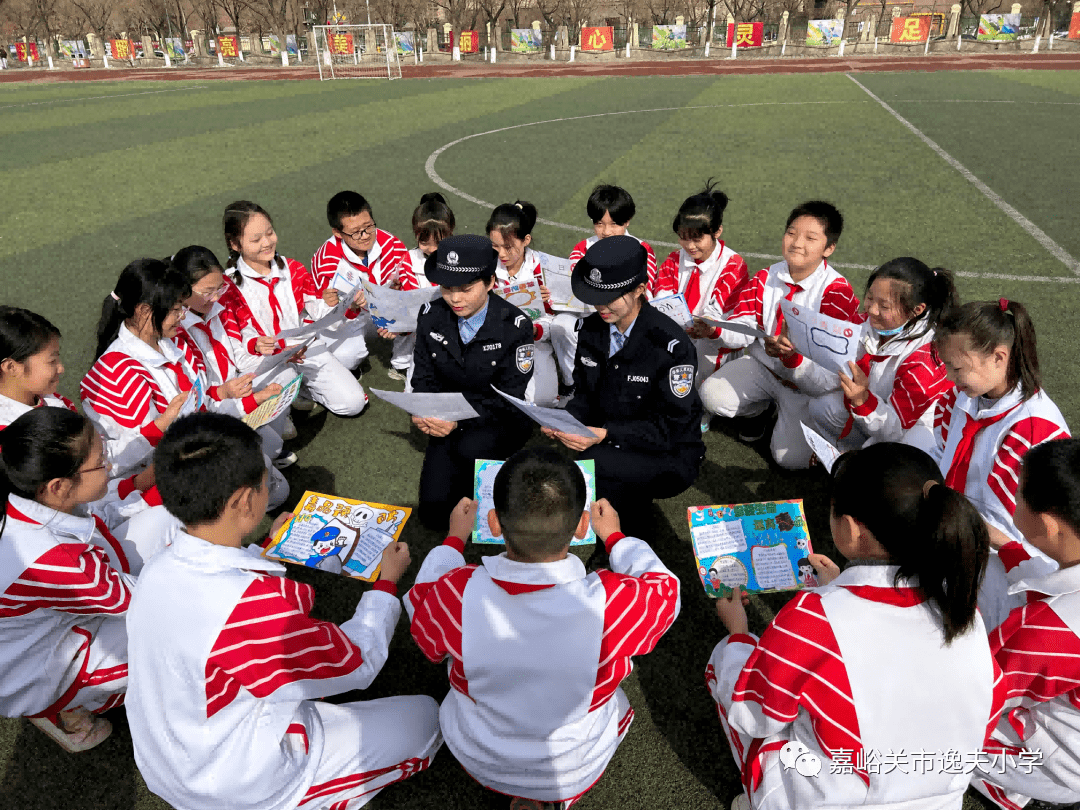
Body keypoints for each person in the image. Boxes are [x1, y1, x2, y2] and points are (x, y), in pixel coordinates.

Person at [125, 413, 441, 810]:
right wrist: (386, 585)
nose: (268, 486)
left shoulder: (156, 566)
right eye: (264, 480)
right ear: (244, 501)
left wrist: (264, 546)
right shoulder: (251, 607)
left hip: (172, 757)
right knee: (426, 720)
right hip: (238, 782)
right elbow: (356, 664)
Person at [708, 442, 1004, 810]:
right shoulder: (964, 612)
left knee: (730, 667)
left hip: (836, 800)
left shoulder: (814, 616)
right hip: (937, 799)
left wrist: (738, 635)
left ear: (850, 529)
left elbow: (751, 713)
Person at [405, 449, 680, 809]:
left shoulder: (455, 592)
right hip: (574, 764)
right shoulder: (614, 601)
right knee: (618, 703)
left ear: (493, 522)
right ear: (583, 526)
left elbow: (419, 605)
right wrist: (615, 537)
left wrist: (454, 539)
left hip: (482, 753)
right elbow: (666, 590)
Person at [907, 298, 1069, 630]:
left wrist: (931, 507)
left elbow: (1010, 529)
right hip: (963, 527)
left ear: (999, 357)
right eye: (948, 367)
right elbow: (943, 454)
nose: (950, 378)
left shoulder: (1033, 428)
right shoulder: (961, 397)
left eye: (958, 367)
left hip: (1013, 559)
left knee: (967, 627)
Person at [82, 258, 290, 509]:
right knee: (261, 471)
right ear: (144, 311)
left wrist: (252, 401)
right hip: (154, 484)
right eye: (176, 309)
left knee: (272, 473)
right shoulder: (116, 373)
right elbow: (141, 456)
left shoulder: (174, 341)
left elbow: (204, 404)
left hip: (196, 446)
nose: (183, 316)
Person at [545, 235, 704, 530]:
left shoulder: (670, 345)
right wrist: (565, 421)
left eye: (611, 296)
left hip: (668, 453)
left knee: (593, 465)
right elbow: (584, 394)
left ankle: (631, 534)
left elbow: (671, 430)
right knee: (582, 465)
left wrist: (605, 434)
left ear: (640, 290)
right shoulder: (592, 329)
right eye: (595, 295)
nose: (601, 306)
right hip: (610, 437)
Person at [0, 408, 135, 752]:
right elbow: (135, 601)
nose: (107, 463)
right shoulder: (57, 559)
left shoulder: (23, 501)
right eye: (100, 460)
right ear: (58, 486)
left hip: (29, 633)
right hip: (28, 667)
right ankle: (61, 704)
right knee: (169, 635)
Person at [699, 200, 860, 468]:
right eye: (791, 233)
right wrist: (717, 328)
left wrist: (792, 360)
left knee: (789, 461)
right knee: (712, 395)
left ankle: (813, 429)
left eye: (810, 238)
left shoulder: (837, 293)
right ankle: (760, 412)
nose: (797, 243)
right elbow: (742, 328)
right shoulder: (765, 276)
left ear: (829, 248)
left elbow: (830, 376)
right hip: (764, 368)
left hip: (807, 389)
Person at [973, 438, 1080, 809]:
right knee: (997, 572)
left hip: (1064, 763)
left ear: (1048, 525)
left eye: (1018, 496)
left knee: (927, 732)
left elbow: (976, 696)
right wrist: (1001, 542)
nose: (1013, 500)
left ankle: (1013, 791)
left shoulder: (1049, 631)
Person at [411, 234, 534, 530]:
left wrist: (457, 423)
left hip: (497, 420)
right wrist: (421, 409)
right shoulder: (431, 317)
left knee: (470, 451)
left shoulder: (515, 326)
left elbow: (509, 396)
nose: (455, 298)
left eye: (466, 289)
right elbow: (424, 376)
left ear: (491, 282)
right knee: (433, 514)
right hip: (448, 420)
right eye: (447, 288)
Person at [217, 200, 368, 418]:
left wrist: (345, 306)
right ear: (235, 244)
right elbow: (234, 344)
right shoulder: (228, 287)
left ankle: (303, 390)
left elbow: (319, 314)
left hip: (306, 351)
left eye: (270, 233)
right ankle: (289, 395)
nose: (267, 242)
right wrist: (256, 346)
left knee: (353, 404)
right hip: (264, 365)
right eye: (256, 239)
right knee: (279, 421)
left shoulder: (293, 269)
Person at [806, 257, 957, 451]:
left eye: (884, 306)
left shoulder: (925, 359)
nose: (871, 310)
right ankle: (845, 454)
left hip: (919, 429)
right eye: (870, 298)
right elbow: (828, 372)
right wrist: (793, 358)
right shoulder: (865, 324)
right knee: (822, 406)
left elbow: (896, 429)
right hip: (882, 410)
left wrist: (862, 400)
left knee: (889, 459)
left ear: (916, 311)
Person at [170, 245, 294, 466]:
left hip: (236, 385)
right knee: (270, 460)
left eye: (219, 288)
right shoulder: (174, 329)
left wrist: (256, 346)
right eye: (207, 292)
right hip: (211, 405)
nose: (216, 297)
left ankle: (264, 432)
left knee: (286, 373)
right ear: (182, 290)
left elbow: (237, 350)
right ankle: (261, 441)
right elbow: (189, 396)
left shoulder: (218, 301)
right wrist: (222, 392)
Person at [650, 181, 750, 387]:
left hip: (715, 343)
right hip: (679, 334)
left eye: (696, 238)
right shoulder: (673, 261)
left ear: (717, 231)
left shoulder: (733, 265)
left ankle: (704, 407)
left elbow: (721, 315)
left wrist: (707, 329)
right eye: (683, 238)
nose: (689, 246)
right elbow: (662, 300)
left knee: (704, 349)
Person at [560, 185, 658, 391]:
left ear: (627, 221)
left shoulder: (642, 249)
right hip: (589, 314)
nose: (606, 232)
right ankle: (573, 385)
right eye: (599, 224)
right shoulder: (581, 249)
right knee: (560, 324)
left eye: (614, 224)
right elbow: (571, 287)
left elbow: (647, 293)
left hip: (625, 316)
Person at [310, 191, 414, 374]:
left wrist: (400, 311)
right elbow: (325, 316)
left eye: (368, 226)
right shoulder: (326, 261)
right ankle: (353, 363)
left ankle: (403, 362)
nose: (365, 235)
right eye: (356, 233)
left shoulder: (391, 243)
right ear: (337, 232)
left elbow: (409, 285)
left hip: (385, 307)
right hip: (350, 319)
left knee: (418, 309)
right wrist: (350, 307)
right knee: (345, 357)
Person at [487, 201, 560, 405]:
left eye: (508, 247)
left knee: (542, 400)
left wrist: (537, 327)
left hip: (533, 343)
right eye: (495, 246)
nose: (501, 254)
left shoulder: (543, 268)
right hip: (493, 342)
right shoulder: (486, 265)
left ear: (526, 240)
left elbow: (553, 322)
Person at [388, 192, 455, 388]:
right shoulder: (409, 259)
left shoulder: (456, 256)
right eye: (425, 242)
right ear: (416, 234)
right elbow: (410, 294)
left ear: (451, 232)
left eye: (439, 243)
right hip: (417, 319)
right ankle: (400, 364)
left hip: (446, 318)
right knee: (407, 333)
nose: (432, 249)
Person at [0, 306, 77, 430]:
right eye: (52, 361)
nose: (61, 368)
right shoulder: (9, 435)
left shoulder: (56, 401)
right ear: (11, 367)